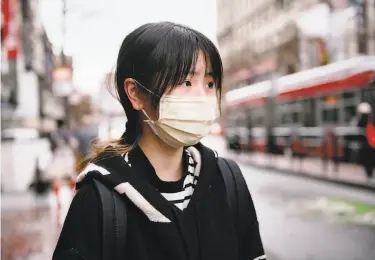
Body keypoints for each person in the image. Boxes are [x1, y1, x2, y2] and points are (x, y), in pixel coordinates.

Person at [53, 22, 266, 260]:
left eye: (209, 83)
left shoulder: (227, 180)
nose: (202, 97)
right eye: (186, 82)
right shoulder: (98, 199)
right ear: (135, 93)